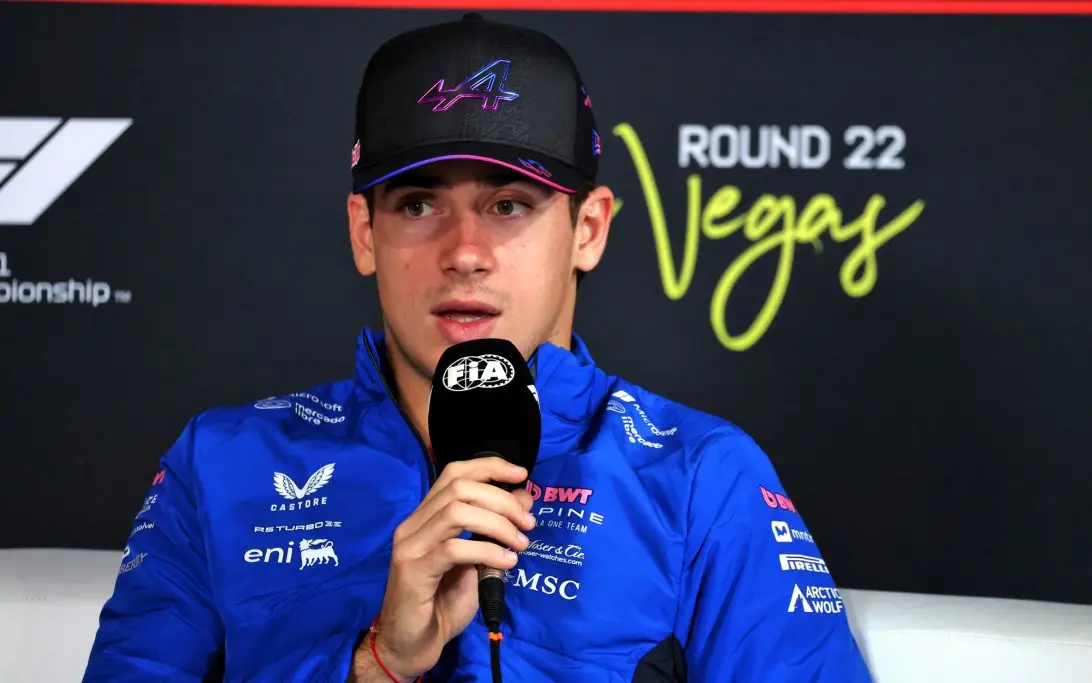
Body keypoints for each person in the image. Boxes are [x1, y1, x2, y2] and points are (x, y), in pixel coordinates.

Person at [82, 13, 873, 683]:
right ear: (364, 233)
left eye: (508, 204)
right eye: (418, 204)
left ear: (589, 229)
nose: (464, 251)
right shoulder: (221, 463)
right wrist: (378, 663)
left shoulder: (701, 477)